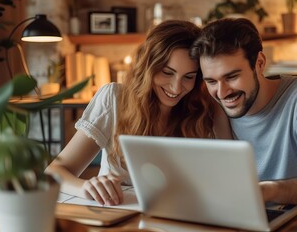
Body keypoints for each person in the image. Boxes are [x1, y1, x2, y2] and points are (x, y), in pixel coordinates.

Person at [46, 20, 231, 206]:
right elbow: (54, 171)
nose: (176, 87)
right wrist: (84, 187)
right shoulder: (115, 98)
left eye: (189, 77)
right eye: (167, 72)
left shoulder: (206, 109)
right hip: (116, 216)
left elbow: (229, 177)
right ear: (148, 67)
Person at [190, 18, 297, 207]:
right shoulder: (208, 107)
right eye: (211, 81)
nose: (222, 93)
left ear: (259, 63)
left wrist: (269, 190)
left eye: (232, 77)